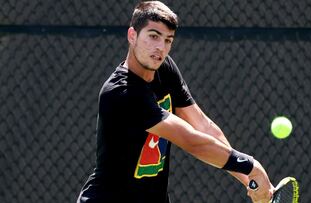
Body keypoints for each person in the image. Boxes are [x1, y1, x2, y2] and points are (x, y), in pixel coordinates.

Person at [77, 1, 274, 203]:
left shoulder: (164, 69)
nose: (160, 48)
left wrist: (250, 181)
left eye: (168, 40)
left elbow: (203, 126)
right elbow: (191, 140)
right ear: (132, 36)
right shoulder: (122, 92)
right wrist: (251, 166)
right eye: (153, 36)